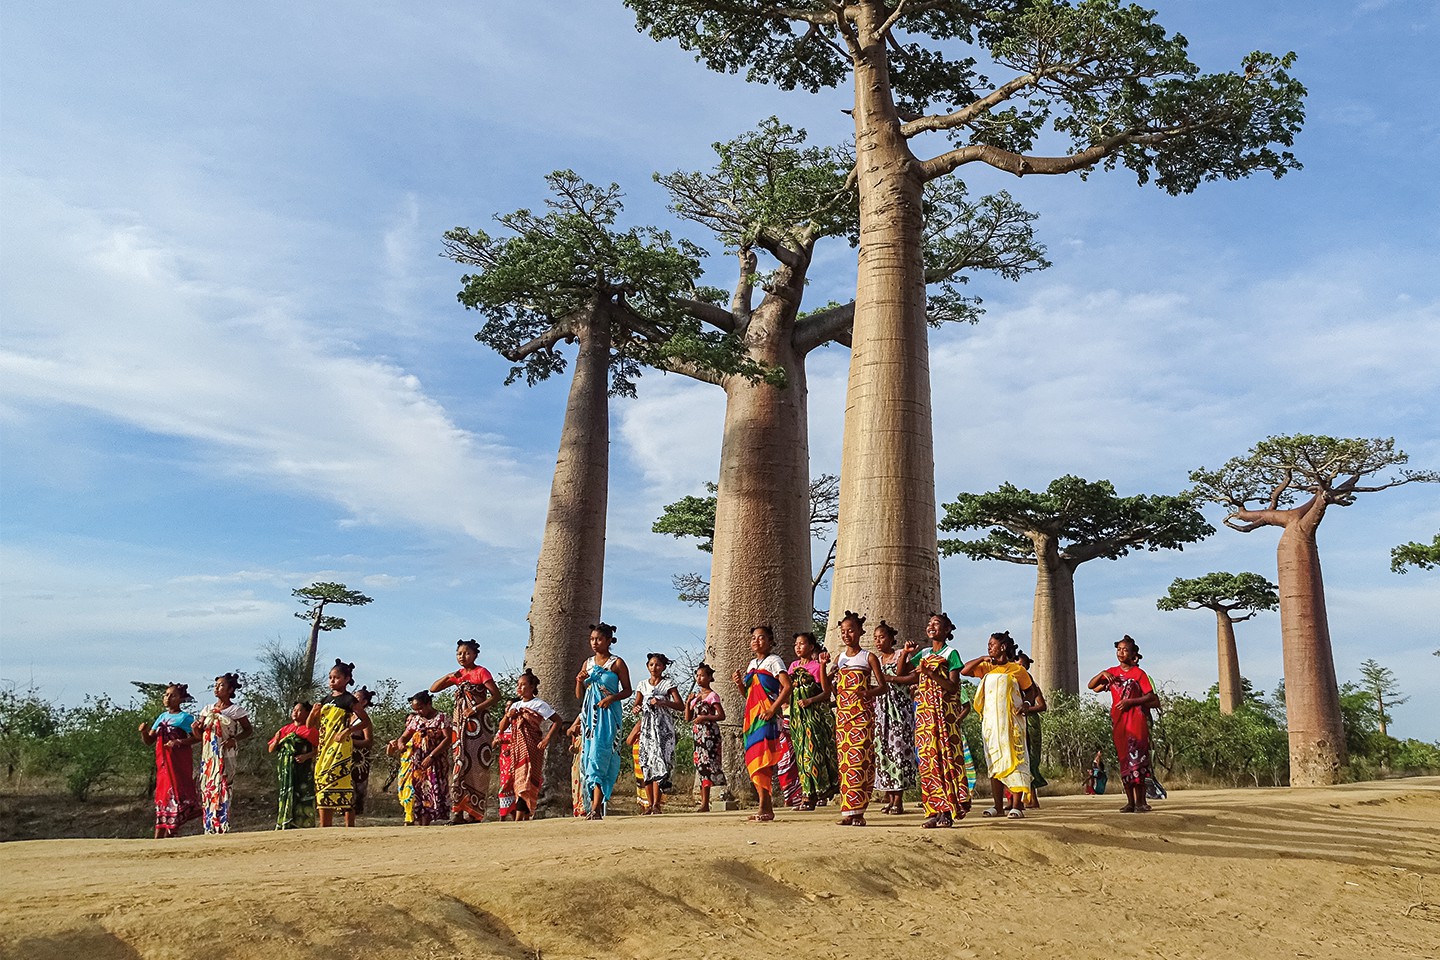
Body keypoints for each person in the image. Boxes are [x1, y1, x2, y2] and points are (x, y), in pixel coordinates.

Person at [963, 631, 1045, 819]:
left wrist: (1026, 704)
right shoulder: (986, 666)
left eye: (992, 644)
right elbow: (965, 670)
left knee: (1015, 760)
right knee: (994, 762)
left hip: (1012, 724)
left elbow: (1030, 691)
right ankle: (998, 806)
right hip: (991, 725)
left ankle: (1016, 805)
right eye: (988, 644)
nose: (989, 647)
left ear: (1003, 647)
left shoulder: (1017, 670)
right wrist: (983, 658)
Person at [903, 613, 973, 828]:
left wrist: (929, 673)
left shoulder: (951, 654)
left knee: (945, 760)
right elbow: (904, 672)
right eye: (929, 623)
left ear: (947, 630)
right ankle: (933, 810)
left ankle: (948, 810)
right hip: (925, 717)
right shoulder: (923, 654)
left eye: (937, 624)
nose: (931, 626)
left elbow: (952, 686)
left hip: (943, 716)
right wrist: (905, 654)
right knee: (928, 762)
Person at [431, 639, 501, 824]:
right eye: (459, 653)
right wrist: (448, 677)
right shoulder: (458, 675)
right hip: (459, 726)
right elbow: (433, 688)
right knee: (459, 764)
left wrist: (476, 709)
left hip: (477, 727)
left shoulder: (481, 672)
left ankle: (474, 813)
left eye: (466, 653)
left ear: (475, 655)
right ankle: (457, 812)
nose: (462, 656)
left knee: (476, 766)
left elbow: (496, 695)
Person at [1089, 635, 1161, 814]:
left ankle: (1141, 802)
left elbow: (1152, 698)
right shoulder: (1112, 672)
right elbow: (1092, 686)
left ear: (1133, 654)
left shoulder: (1139, 674)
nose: (1121, 653)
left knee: (1139, 761)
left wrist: (1131, 702)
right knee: (1125, 761)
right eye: (1118, 649)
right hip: (1119, 723)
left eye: (1125, 650)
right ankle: (1130, 802)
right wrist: (1102, 674)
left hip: (1136, 722)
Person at [732, 625, 792, 822]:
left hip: (767, 718)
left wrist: (773, 709)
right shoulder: (751, 665)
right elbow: (748, 696)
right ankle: (764, 805)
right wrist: (741, 684)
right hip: (752, 719)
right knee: (753, 760)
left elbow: (787, 687)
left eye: (761, 638)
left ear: (770, 641)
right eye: (753, 638)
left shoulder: (775, 661)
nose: (756, 641)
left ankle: (764, 806)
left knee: (763, 758)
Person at [832, 612, 887, 826]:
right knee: (845, 763)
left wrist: (867, 693)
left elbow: (882, 686)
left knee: (860, 760)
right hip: (843, 717)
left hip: (862, 715)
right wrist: (825, 670)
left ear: (860, 632)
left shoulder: (868, 657)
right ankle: (848, 811)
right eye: (843, 631)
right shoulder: (840, 658)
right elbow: (831, 686)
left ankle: (860, 812)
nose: (847, 635)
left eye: (851, 630)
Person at [575, 622, 631, 820]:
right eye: (592, 639)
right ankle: (592, 806)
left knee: (601, 756)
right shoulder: (587, 664)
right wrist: (579, 681)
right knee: (589, 757)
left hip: (608, 717)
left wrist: (611, 698)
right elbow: (579, 695)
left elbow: (627, 690)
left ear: (608, 640)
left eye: (598, 639)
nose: (594, 643)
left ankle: (597, 807)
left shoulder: (616, 663)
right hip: (590, 717)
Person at [309, 659, 369, 827]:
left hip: (340, 747)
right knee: (321, 781)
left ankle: (349, 825)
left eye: (336, 677)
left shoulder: (349, 700)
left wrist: (347, 730)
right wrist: (313, 714)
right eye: (330, 677)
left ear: (347, 679)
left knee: (339, 780)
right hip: (324, 745)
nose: (332, 681)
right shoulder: (325, 699)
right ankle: (324, 825)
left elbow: (365, 721)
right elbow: (310, 726)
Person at [497, 669, 564, 821]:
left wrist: (546, 739)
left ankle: (520, 816)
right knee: (519, 781)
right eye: (518, 685)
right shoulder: (515, 705)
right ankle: (525, 815)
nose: (519, 688)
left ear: (532, 687)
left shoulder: (539, 704)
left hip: (532, 746)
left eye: (523, 685)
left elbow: (557, 721)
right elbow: (502, 728)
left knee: (526, 781)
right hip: (517, 749)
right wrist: (508, 715)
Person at [138, 682, 200, 838]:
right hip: (163, 764)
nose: (168, 698)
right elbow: (149, 741)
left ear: (180, 699)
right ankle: (160, 834)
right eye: (166, 695)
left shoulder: (185, 718)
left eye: (172, 695)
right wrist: (144, 732)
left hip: (177, 763)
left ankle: (172, 832)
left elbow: (197, 738)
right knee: (164, 796)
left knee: (177, 793)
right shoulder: (161, 717)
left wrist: (178, 742)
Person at [195, 672, 253, 834]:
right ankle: (209, 825)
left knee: (224, 785)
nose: (217, 688)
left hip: (226, 753)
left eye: (221, 685)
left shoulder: (235, 710)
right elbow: (200, 735)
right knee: (209, 787)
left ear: (230, 689)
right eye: (216, 685)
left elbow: (248, 730)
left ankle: (222, 821)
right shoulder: (207, 710)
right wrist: (195, 729)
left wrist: (234, 740)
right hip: (209, 756)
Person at [787, 631, 839, 809]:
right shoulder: (792, 667)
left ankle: (812, 796)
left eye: (802, 644)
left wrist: (810, 700)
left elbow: (825, 693)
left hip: (813, 718)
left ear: (811, 647)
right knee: (801, 757)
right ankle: (805, 794)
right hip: (797, 719)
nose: (798, 647)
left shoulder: (817, 667)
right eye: (796, 644)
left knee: (812, 755)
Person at [872, 619, 917, 815]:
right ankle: (889, 798)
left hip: (899, 711)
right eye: (875, 638)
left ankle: (898, 801)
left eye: (882, 637)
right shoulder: (877, 661)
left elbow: (901, 674)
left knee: (899, 753)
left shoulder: (900, 655)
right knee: (883, 753)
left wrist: (905, 654)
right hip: (882, 712)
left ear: (891, 639)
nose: (878, 641)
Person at [628, 653, 683, 815]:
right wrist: (636, 709)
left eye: (658, 665)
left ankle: (657, 804)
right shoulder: (642, 685)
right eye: (651, 665)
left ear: (664, 667)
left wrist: (663, 702)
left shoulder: (668, 684)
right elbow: (635, 705)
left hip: (663, 730)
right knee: (647, 764)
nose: (654, 668)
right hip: (647, 730)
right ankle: (649, 804)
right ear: (647, 666)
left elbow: (680, 705)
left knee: (662, 764)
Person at [389, 690, 452, 826]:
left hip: (436, 761)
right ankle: (422, 824)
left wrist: (431, 756)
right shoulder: (416, 720)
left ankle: (434, 822)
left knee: (435, 789)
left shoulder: (442, 718)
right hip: (418, 764)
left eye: (420, 708)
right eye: (415, 710)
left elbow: (447, 739)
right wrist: (400, 744)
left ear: (429, 704)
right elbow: (404, 736)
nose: (418, 712)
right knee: (419, 791)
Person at [267, 701, 317, 830]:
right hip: (286, 770)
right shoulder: (285, 729)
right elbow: (271, 749)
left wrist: (306, 756)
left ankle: (303, 823)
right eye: (294, 710)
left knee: (302, 795)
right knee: (287, 795)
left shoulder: (310, 731)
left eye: (299, 710)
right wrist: (277, 740)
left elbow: (320, 748)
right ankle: (285, 822)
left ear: (307, 713)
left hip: (303, 770)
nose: (295, 712)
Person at [685, 662, 727, 812]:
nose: (699, 678)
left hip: (710, 735)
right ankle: (705, 803)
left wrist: (705, 717)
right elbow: (687, 718)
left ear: (709, 678)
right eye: (697, 675)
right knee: (701, 767)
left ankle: (710, 800)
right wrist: (688, 703)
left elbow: (721, 715)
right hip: (698, 736)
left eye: (702, 675)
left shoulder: (712, 695)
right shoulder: (695, 697)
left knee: (710, 765)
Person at [1015, 650, 1048, 808]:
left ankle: (1032, 799)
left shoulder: (1031, 685)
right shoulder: (1010, 681)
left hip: (1030, 724)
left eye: (1022, 665)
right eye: (1017, 665)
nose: (1019, 668)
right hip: (1015, 723)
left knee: (1029, 758)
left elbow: (1042, 706)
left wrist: (1026, 709)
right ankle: (1016, 800)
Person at [349, 685, 377, 819]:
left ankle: (357, 811)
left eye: (357, 698)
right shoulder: (347, 717)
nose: (353, 699)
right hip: (346, 756)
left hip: (359, 759)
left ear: (364, 702)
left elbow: (369, 742)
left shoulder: (365, 720)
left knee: (358, 785)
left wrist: (351, 742)